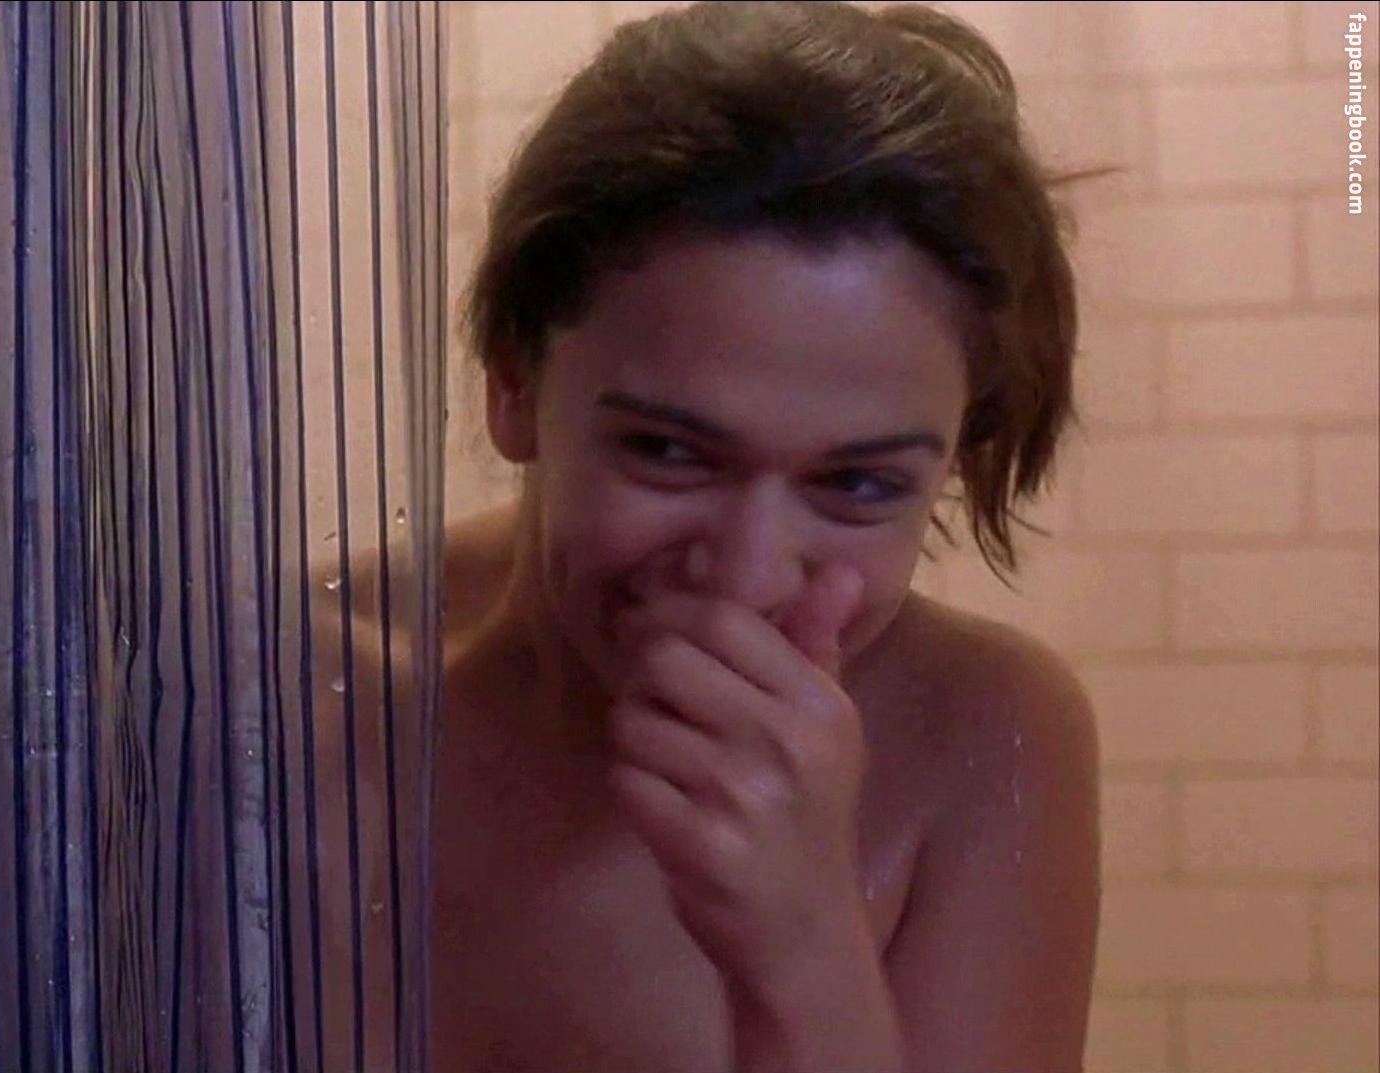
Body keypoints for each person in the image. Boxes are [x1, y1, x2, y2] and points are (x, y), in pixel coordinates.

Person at [314, 3, 1103, 1070]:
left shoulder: (979, 733)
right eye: (667, 451)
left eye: (858, 484)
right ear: (512, 381)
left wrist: (803, 949)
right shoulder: (281, 694)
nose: (747, 577)